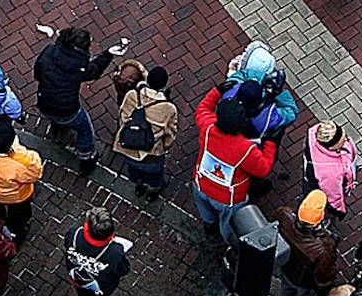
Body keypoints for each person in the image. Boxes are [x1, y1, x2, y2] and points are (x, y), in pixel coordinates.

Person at [192, 86, 276, 241]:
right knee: (229, 223)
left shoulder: (208, 128)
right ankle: (227, 240)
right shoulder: (245, 149)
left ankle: (209, 224)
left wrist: (217, 91)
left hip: (201, 184)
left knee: (205, 209)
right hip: (228, 199)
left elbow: (202, 108)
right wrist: (271, 143)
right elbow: (263, 168)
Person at [34, 26, 120, 175]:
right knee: (85, 131)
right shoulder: (80, 67)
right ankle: (86, 159)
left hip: (45, 103)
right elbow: (95, 71)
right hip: (68, 110)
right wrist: (108, 54)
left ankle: (58, 128)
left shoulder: (48, 52)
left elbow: (37, 74)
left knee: (58, 118)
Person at [0, 121, 44, 238]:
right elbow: (36, 173)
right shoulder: (21, 162)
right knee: (19, 215)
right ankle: (16, 231)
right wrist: (17, 150)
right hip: (14, 197)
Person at [114, 63, 177, 198]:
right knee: (155, 176)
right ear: (163, 86)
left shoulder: (131, 95)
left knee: (134, 171)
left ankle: (139, 186)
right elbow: (170, 135)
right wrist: (164, 148)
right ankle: (153, 191)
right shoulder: (168, 108)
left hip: (128, 149)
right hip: (152, 155)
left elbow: (122, 118)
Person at [66, 208, 134, 296]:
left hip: (78, 280)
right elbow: (123, 270)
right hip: (101, 287)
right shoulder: (115, 252)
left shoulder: (74, 233)